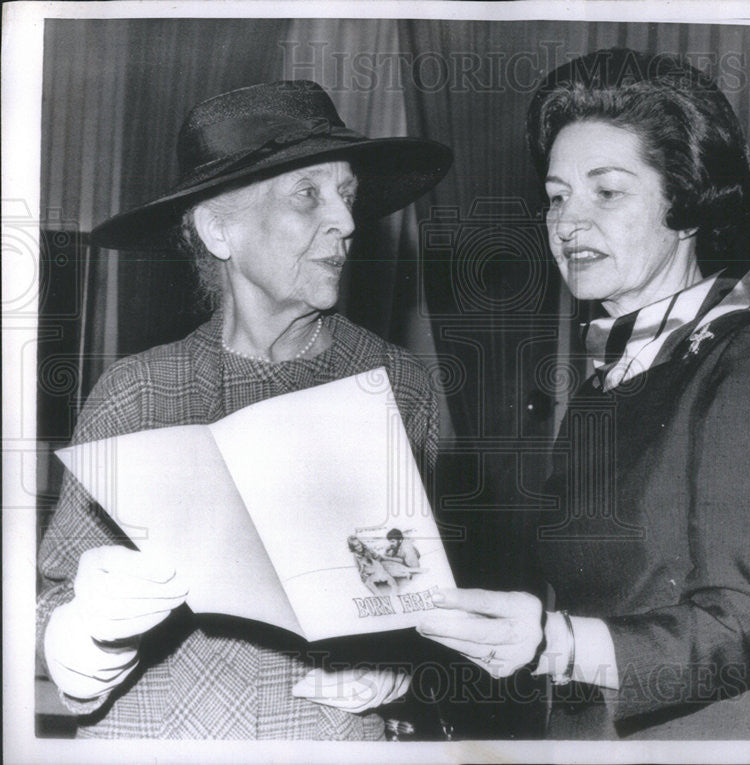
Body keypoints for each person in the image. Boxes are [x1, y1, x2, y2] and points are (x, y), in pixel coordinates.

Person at [37, 80, 451, 739]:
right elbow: (47, 607)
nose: (346, 221)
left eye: (346, 195)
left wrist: (406, 663)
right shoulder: (135, 392)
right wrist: (79, 634)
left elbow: (443, 607)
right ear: (219, 228)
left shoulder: (400, 387)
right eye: (308, 194)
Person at [417, 49, 750, 739]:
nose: (567, 223)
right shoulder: (609, 380)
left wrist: (557, 643)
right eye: (557, 196)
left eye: (607, 191)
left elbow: (746, 620)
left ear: (686, 202)